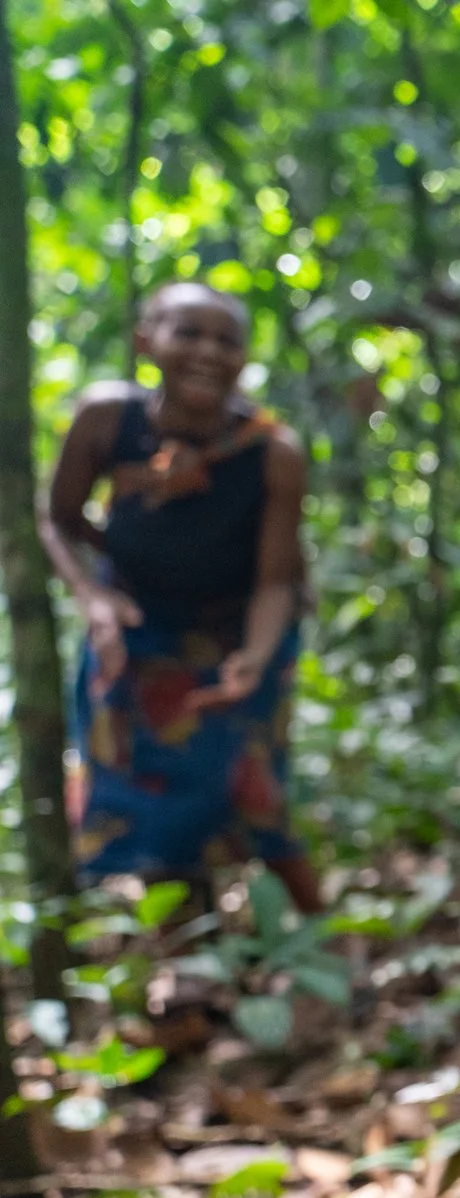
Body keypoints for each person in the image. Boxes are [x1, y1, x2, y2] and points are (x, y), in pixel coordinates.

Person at [41, 282, 320, 915]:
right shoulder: (107, 418)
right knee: (144, 794)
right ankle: (189, 959)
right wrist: (96, 600)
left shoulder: (273, 452)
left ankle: (323, 944)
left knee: (253, 791)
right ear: (147, 343)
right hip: (139, 628)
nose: (207, 352)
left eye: (226, 340)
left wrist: (252, 657)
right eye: (188, 333)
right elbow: (58, 518)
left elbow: (277, 581)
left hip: (241, 630)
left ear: (245, 359)